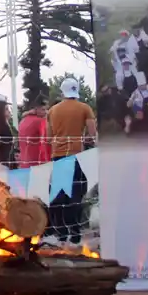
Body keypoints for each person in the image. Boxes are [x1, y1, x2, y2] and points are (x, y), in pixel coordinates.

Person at [46, 78, 97, 245]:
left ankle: (61, 232)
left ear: (62, 91)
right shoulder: (85, 108)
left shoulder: (52, 110)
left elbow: (48, 137)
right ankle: (75, 232)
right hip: (76, 154)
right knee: (76, 194)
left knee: (59, 195)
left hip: (58, 154)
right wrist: (85, 140)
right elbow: (92, 132)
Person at [16, 102, 51, 168]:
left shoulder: (22, 121)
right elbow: (47, 140)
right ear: (36, 109)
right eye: (43, 109)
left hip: (24, 162)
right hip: (38, 162)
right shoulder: (40, 121)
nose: (46, 112)